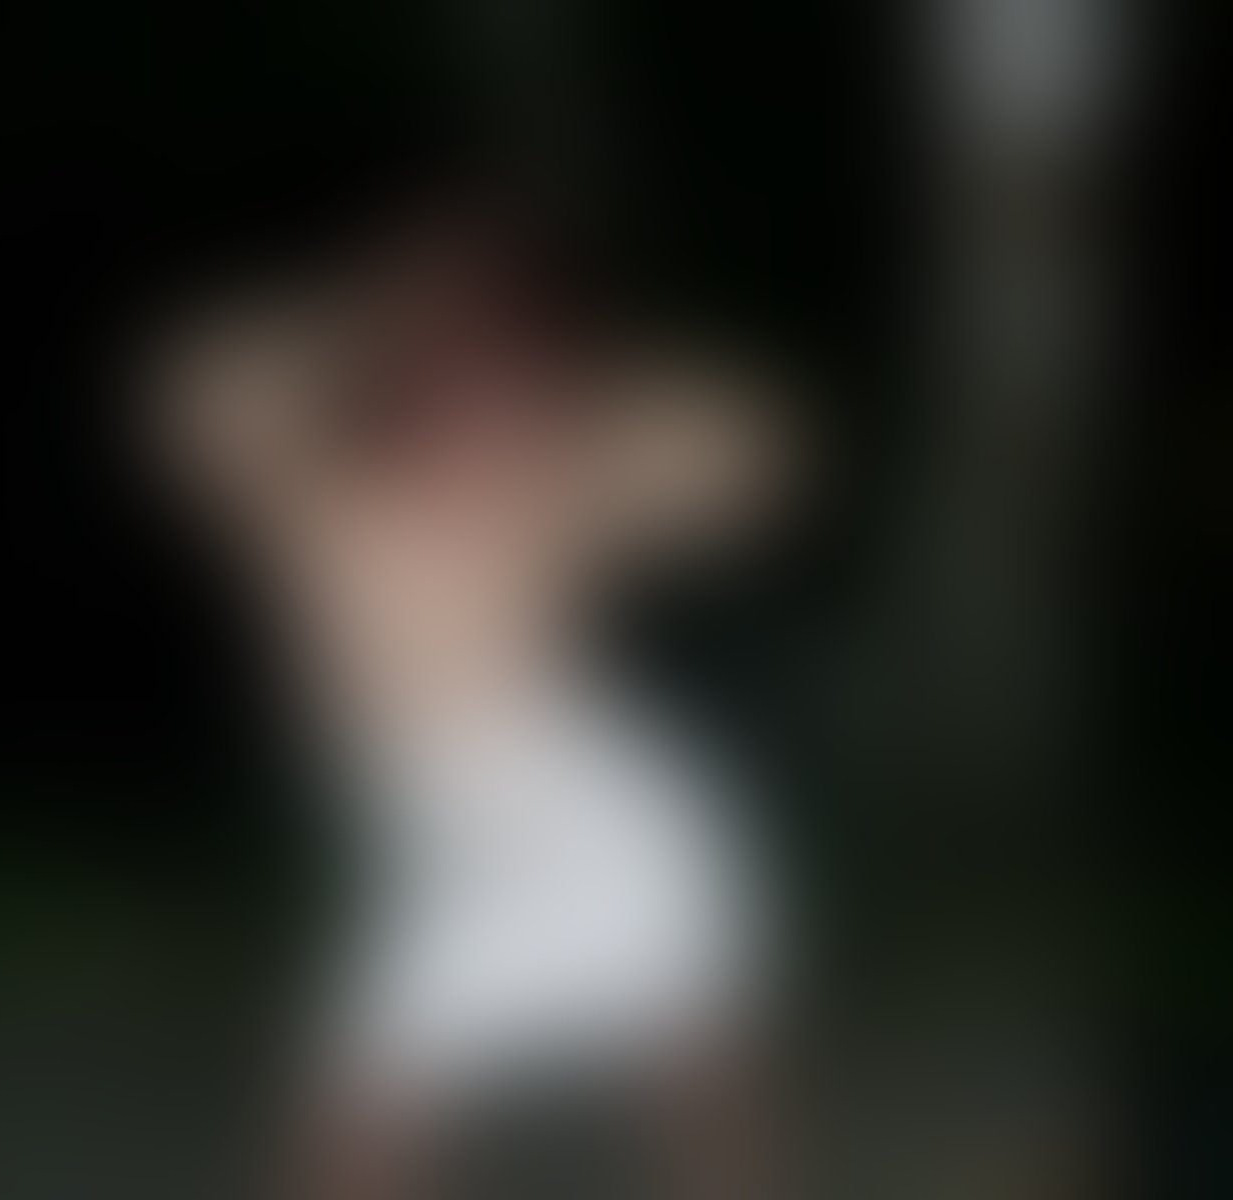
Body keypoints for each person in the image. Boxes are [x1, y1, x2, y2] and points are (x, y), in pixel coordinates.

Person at [133, 186, 803, 1198]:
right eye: (444, 352)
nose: (475, 391)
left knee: (696, 1042)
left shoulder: (559, 472)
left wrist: (589, 401)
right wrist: (367, 304)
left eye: (495, 352)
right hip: (430, 818)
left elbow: (749, 459)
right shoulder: (307, 472)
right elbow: (186, 393)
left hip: (587, 790)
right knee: (366, 1094)